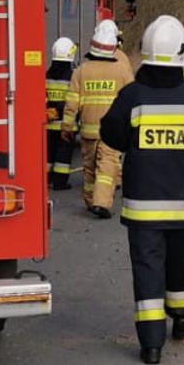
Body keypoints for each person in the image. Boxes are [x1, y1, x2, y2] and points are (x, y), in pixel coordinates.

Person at [98, 15, 184, 364]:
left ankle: (151, 345)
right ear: (182, 54)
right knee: (182, 264)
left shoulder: (132, 97)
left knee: (147, 269)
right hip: (183, 206)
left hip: (142, 208)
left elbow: (111, 135)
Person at [62, 19, 135, 218]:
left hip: (88, 131)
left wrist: (67, 127)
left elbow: (72, 103)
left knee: (89, 168)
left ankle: (90, 201)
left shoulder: (81, 71)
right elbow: (131, 99)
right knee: (107, 166)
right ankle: (101, 203)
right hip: (113, 131)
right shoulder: (122, 70)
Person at [45, 37, 79, 188]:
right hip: (66, 124)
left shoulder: (47, 74)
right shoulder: (73, 76)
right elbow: (74, 101)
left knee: (48, 155)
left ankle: (46, 179)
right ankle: (60, 182)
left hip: (48, 123)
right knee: (63, 157)